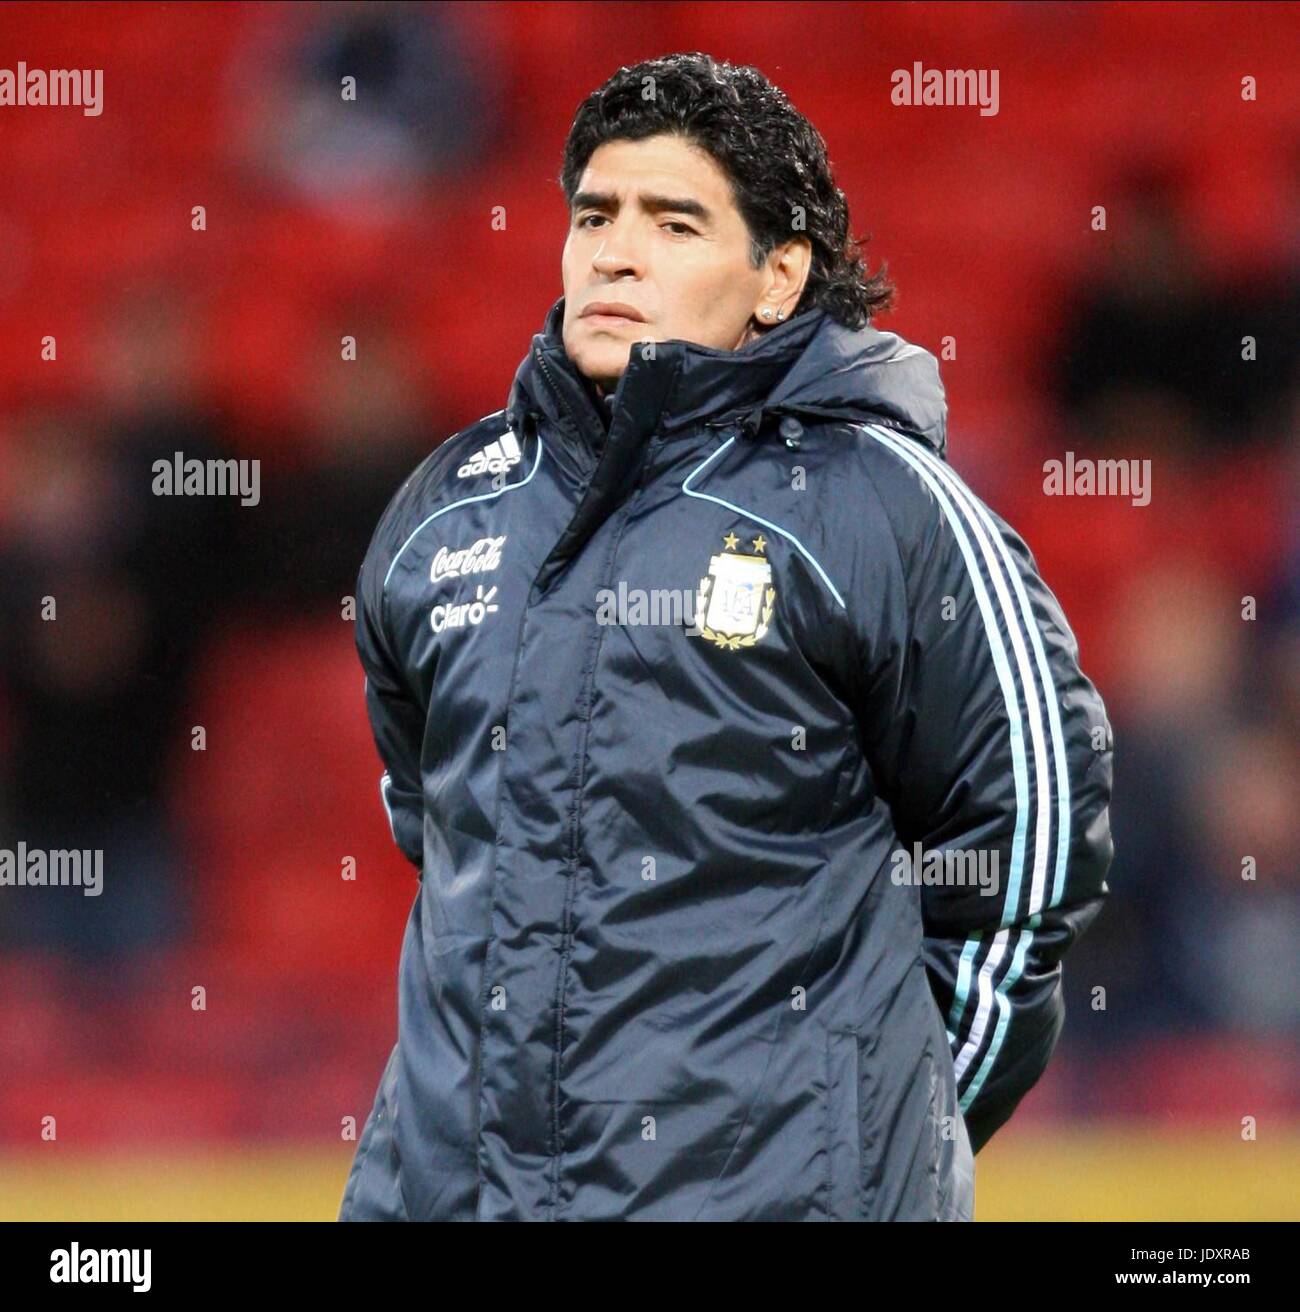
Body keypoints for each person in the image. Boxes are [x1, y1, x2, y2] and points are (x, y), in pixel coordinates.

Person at [339, 52, 1112, 1222]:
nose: (615, 249)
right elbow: (439, 824)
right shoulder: (446, 511)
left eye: (675, 220)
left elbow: (1031, 845)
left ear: (777, 275)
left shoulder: (881, 509)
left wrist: (880, 1129)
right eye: (593, 213)